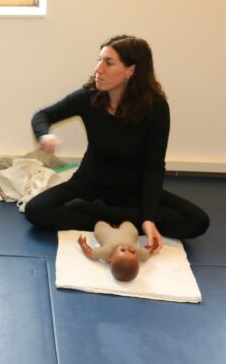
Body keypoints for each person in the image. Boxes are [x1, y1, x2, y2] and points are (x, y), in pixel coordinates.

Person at [24, 35, 210, 248]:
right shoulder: (89, 96)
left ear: (131, 70)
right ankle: (127, 220)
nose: (98, 69)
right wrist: (44, 134)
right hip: (89, 184)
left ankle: (101, 215)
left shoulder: (156, 108)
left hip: (133, 191)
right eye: (99, 60)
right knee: (35, 210)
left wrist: (148, 218)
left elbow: (154, 167)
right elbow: (42, 116)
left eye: (108, 63)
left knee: (197, 221)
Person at [77, 221, 153, 282]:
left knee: (99, 224)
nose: (128, 248)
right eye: (132, 252)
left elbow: (90, 253)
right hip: (128, 233)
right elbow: (148, 253)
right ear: (138, 259)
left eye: (123, 250)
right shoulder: (137, 250)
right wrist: (152, 245)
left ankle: (105, 225)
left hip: (107, 233)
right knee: (128, 223)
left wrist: (83, 244)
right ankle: (123, 224)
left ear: (111, 259)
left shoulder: (106, 252)